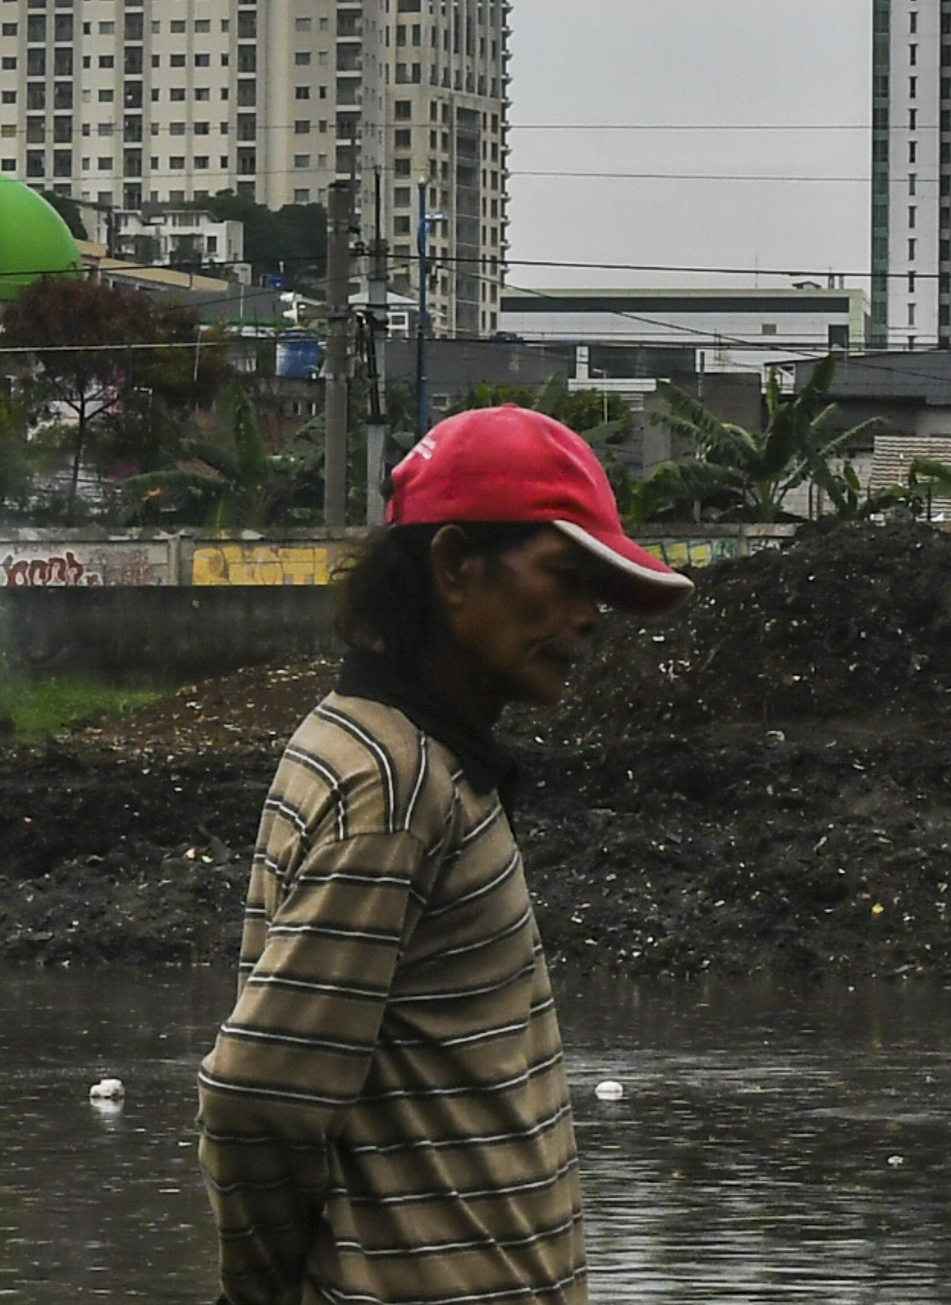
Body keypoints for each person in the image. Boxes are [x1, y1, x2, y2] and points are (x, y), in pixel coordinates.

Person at [198, 404, 689, 1303]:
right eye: (567, 576)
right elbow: (260, 1098)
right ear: (456, 565)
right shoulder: (395, 784)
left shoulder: (375, 749)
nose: (589, 618)